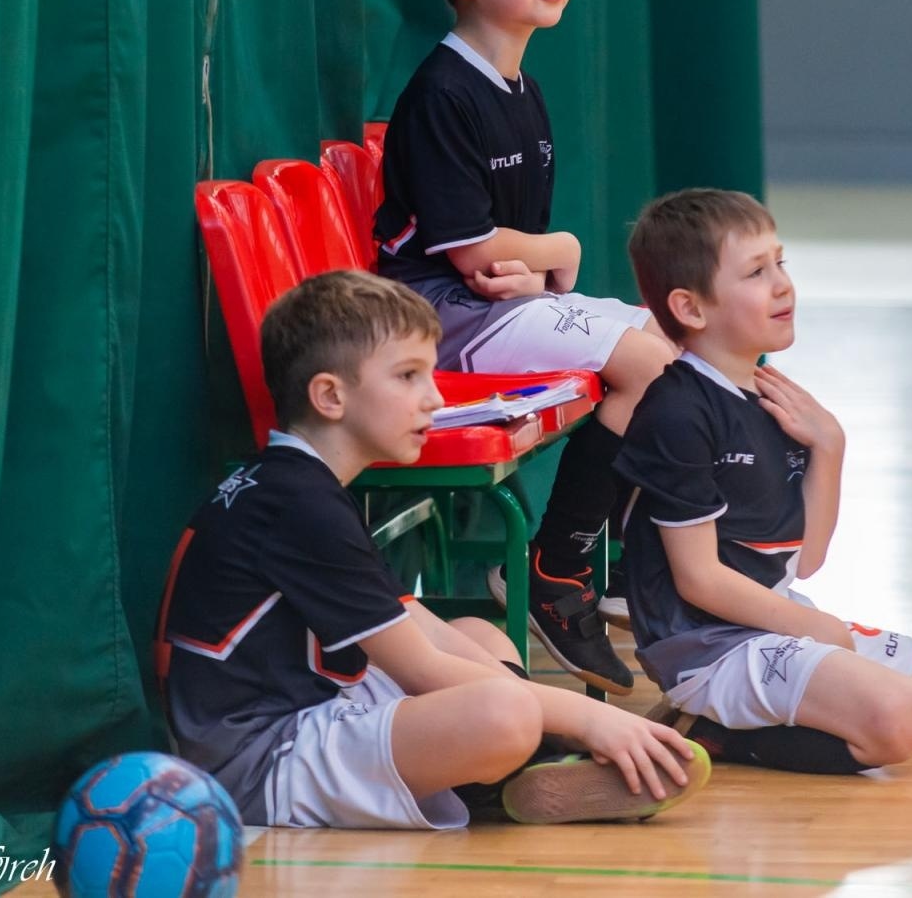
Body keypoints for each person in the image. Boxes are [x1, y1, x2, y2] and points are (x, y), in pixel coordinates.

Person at [155, 270, 708, 829]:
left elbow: (420, 626)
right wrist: (588, 719)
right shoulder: (299, 503)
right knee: (506, 711)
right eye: (408, 377)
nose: (435, 397)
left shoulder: (297, 482)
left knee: (476, 634)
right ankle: (516, 765)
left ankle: (522, 769)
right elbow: (421, 670)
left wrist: (559, 712)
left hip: (310, 706)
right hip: (260, 763)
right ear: (329, 395)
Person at [373, 0, 673, 695]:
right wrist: (564, 250)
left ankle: (583, 562)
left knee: (676, 357)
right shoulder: (442, 94)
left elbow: (521, 256)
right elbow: (476, 255)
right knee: (649, 370)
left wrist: (548, 264)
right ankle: (555, 574)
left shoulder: (523, 90)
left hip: (496, 305)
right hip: (442, 318)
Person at [614, 189, 912, 773]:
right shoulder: (679, 413)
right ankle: (709, 728)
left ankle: (811, 699)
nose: (782, 285)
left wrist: (831, 445)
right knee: (900, 719)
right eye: (755, 272)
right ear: (692, 309)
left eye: (781, 262)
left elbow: (807, 560)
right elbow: (698, 580)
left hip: (777, 618)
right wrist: (817, 629)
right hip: (708, 649)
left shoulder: (771, 395)